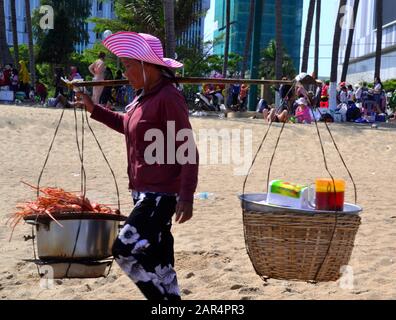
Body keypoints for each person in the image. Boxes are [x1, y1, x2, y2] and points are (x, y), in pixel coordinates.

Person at [74, 31, 199, 300]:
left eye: (129, 66)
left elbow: (187, 147)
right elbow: (128, 126)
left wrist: (187, 196)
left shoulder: (168, 97)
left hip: (160, 195)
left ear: (148, 65)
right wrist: (93, 109)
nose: (125, 73)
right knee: (159, 260)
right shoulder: (143, 97)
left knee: (123, 249)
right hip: (141, 191)